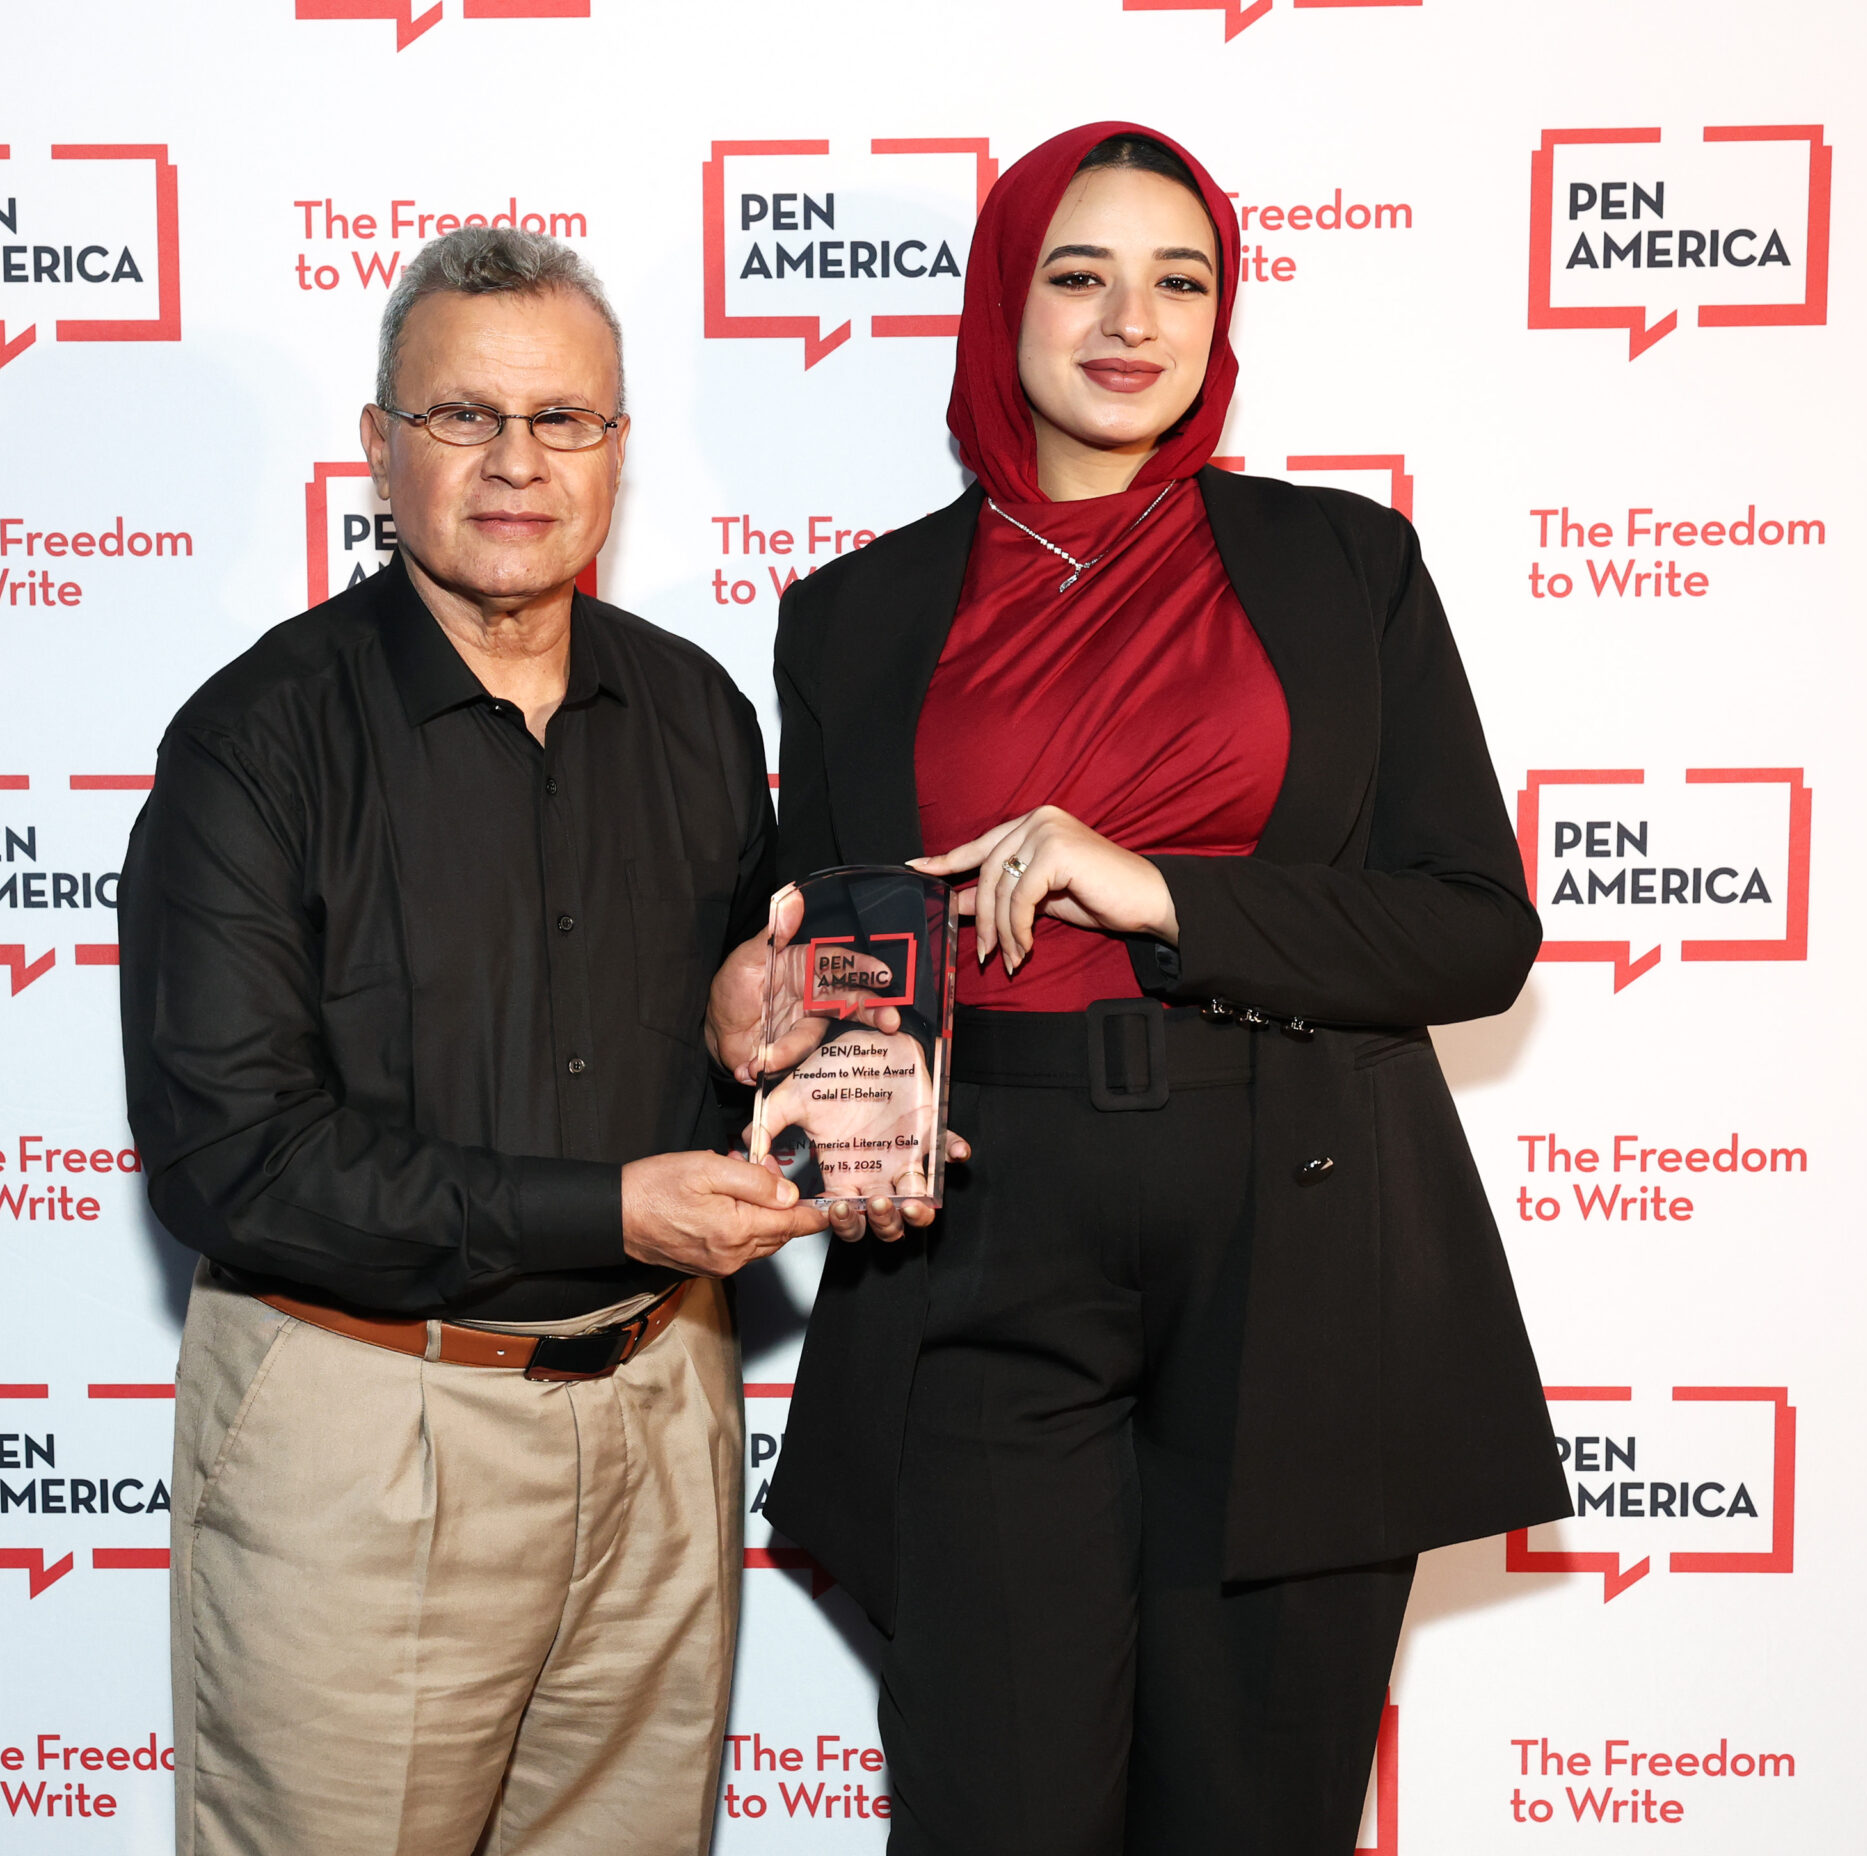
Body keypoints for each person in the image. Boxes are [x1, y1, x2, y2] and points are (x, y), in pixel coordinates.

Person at [757, 124, 1572, 1854]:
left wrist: (1156, 890)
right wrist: (792, 1029)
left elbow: (1471, 932)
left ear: (1223, 320)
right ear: (1003, 307)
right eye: (1080, 272)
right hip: (983, 1245)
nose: (1133, 319)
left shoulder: (1347, 570)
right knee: (999, 1813)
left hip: (1304, 1239)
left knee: (1251, 1816)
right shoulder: (853, 616)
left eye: (1179, 280)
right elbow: (832, 954)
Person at [117, 225, 826, 1856]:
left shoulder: (699, 713)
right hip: (367, 1427)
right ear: (380, 445)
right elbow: (236, 1160)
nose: (519, 463)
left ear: (617, 449)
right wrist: (613, 1212)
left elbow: (742, 1015)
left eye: (565, 420)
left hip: (662, 1409)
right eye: (463, 419)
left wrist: (746, 1025)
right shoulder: (255, 742)